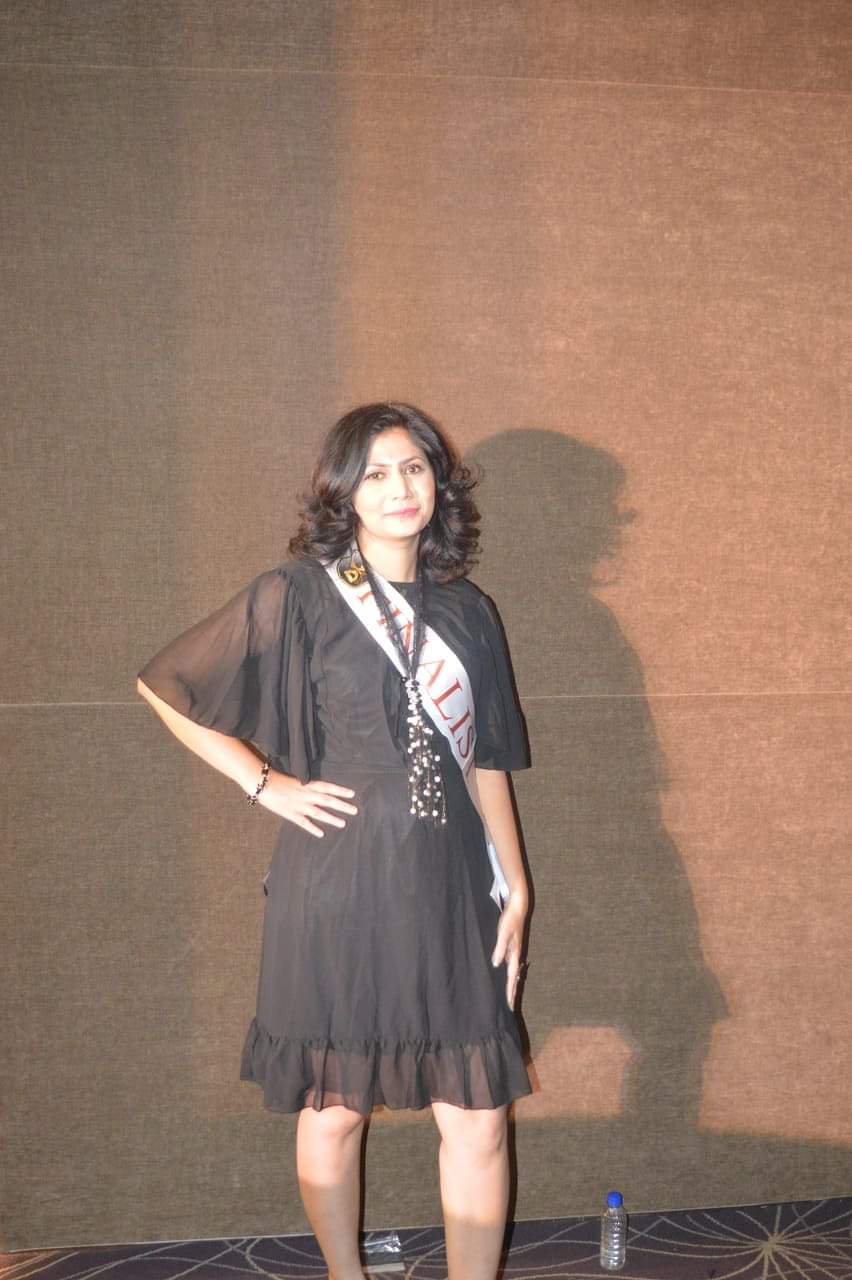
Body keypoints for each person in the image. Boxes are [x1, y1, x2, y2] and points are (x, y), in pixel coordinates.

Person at [136, 402, 532, 1280]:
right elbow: (165, 684)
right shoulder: (300, 594)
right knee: (336, 1107)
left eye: (415, 468)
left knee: (478, 1116)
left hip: (453, 887)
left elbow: (488, 761)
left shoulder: (471, 612)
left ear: (439, 483)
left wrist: (517, 883)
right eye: (377, 473)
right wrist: (264, 783)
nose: (400, 488)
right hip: (337, 887)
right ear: (344, 491)